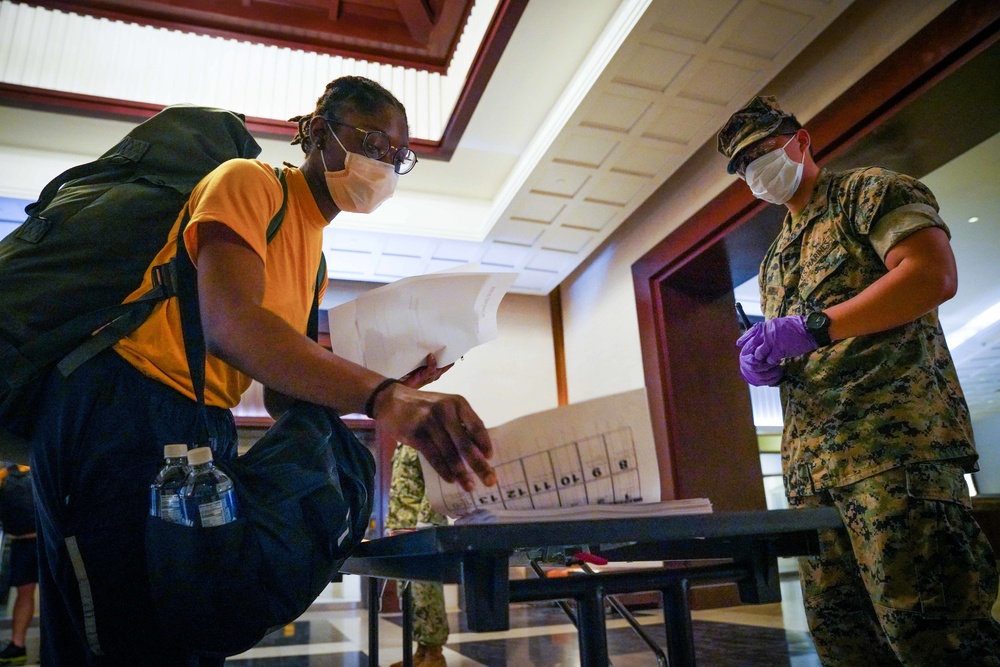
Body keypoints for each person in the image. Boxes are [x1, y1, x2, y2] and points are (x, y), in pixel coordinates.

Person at [26, 76, 497, 666]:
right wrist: (381, 397)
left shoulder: (314, 257)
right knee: (115, 634)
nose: (385, 165)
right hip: (121, 404)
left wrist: (394, 386)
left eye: (397, 156)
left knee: (186, 626)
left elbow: (282, 395)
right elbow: (232, 324)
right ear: (320, 131)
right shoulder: (249, 184)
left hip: (198, 425)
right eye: (373, 143)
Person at [718, 95, 1000, 665]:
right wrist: (771, 362)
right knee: (847, 646)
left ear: (801, 141)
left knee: (937, 639)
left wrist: (815, 328)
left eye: (763, 153)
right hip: (814, 474)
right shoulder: (775, 257)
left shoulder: (867, 193)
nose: (756, 173)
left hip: (895, 453)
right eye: (744, 167)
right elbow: (801, 345)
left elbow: (931, 275)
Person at [0, 464, 36, 666]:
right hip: (22, 540)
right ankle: (17, 645)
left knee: (55, 592)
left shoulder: (41, 464)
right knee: (25, 593)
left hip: (47, 539)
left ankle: (52, 644)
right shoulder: (7, 474)